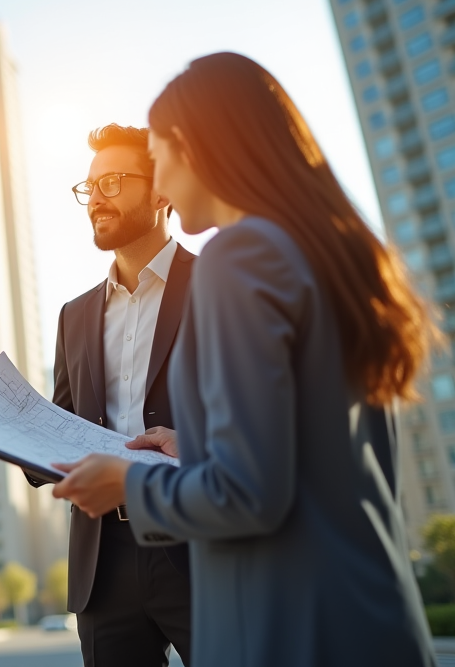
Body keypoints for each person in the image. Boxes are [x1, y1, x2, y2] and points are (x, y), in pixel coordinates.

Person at [51, 52, 436, 666]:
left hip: (292, 623)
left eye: (161, 156)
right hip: (369, 617)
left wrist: (128, 481)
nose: (164, 177)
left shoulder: (240, 258)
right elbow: (310, 458)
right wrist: (197, 449)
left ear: (197, 148)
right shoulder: (330, 254)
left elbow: (250, 493)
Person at [29, 124, 193, 666]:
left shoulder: (219, 283)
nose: (96, 198)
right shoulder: (74, 315)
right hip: (103, 559)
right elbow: (63, 419)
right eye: (90, 186)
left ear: (162, 191)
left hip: (201, 539)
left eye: (114, 181)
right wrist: (12, 434)